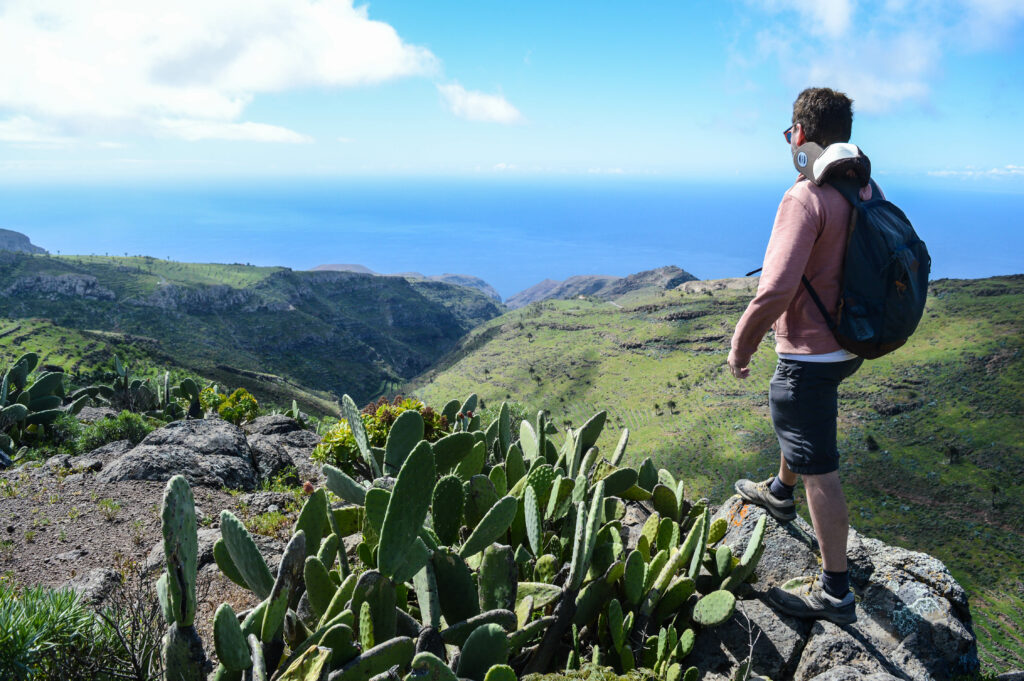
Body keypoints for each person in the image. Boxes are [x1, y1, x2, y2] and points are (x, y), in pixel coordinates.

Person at [728, 87, 874, 626]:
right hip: (849, 345)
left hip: (809, 354)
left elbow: (774, 291)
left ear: (800, 135)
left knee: (821, 465)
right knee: (802, 424)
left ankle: (836, 593)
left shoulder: (803, 198)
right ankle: (778, 491)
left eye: (790, 132)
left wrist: (741, 344)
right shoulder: (862, 186)